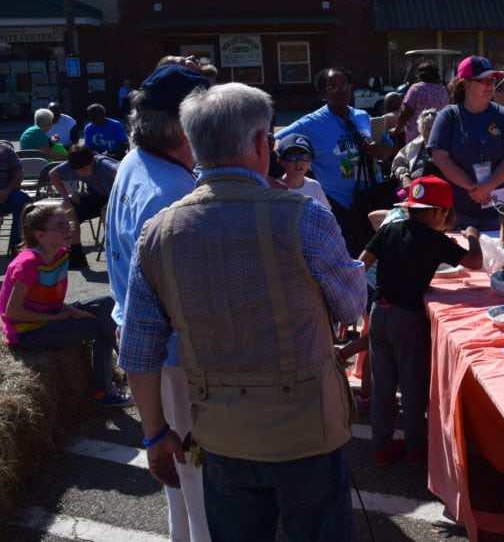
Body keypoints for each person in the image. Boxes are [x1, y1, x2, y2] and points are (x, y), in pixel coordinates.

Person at [120, 82, 367, 540]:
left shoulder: (158, 232)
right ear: (261, 144)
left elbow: (137, 349)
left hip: (221, 433)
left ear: (195, 144)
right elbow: (352, 304)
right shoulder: (303, 214)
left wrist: (155, 434)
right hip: (307, 430)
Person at [106, 62, 211, 542]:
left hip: (155, 351)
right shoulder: (172, 192)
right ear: (179, 126)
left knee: (182, 477)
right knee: (200, 477)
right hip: (174, 358)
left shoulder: (138, 161)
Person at [360, 176, 481, 467]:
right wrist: (473, 236)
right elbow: (475, 263)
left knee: (383, 385)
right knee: (413, 387)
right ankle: (415, 449)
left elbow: (360, 262)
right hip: (408, 317)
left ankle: (381, 447)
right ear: (439, 213)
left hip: (379, 311)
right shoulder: (435, 240)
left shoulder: (389, 229)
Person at [0, 202, 130, 407]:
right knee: (101, 327)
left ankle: (129, 364)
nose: (68, 229)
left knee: (107, 305)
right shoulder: (27, 264)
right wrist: (58, 317)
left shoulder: (61, 254)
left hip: (48, 315)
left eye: (67, 224)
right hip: (27, 331)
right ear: (40, 235)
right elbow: (13, 311)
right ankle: (104, 390)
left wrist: (74, 312)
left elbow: (52, 300)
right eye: (60, 227)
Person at [276, 66, 393, 256]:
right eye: (332, 86)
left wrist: (381, 150)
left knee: (382, 254)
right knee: (353, 256)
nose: (340, 90)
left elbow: (388, 147)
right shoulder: (310, 124)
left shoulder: (362, 116)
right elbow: (274, 143)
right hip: (341, 205)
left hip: (373, 197)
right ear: (322, 92)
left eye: (344, 84)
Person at [427, 56, 504, 230]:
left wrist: (489, 186)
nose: (490, 85)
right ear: (466, 83)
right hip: (459, 213)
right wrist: (473, 188)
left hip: (499, 211)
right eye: (483, 80)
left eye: (492, 80)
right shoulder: (449, 116)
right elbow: (440, 157)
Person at [48, 144, 118, 270]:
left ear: (92, 161)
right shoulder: (73, 164)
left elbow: (123, 174)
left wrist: (114, 201)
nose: (82, 174)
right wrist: (67, 195)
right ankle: (77, 255)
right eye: (78, 172)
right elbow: (53, 174)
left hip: (119, 198)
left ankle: (115, 255)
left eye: (85, 170)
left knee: (106, 212)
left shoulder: (103, 163)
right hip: (98, 196)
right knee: (67, 208)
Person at [389, 61, 451, 145]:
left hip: (418, 139)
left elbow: (405, 114)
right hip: (438, 137)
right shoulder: (442, 90)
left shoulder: (416, 89)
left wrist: (396, 131)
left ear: (420, 74)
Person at [392, 108, 441, 198]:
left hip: (438, 191)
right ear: (420, 130)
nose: (431, 132)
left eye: (434, 128)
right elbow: (398, 163)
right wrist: (404, 177)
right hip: (414, 189)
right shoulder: (414, 146)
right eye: (427, 129)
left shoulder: (447, 146)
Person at [276, 133, 329, 207]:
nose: (299, 162)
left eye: (305, 157)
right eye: (292, 157)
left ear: (310, 161)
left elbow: (326, 215)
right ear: (281, 161)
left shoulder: (314, 186)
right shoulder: (273, 188)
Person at [0, 140, 31, 256]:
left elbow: (19, 174)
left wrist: (7, 191)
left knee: (23, 200)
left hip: (5, 196)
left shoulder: (6, 150)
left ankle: (17, 247)